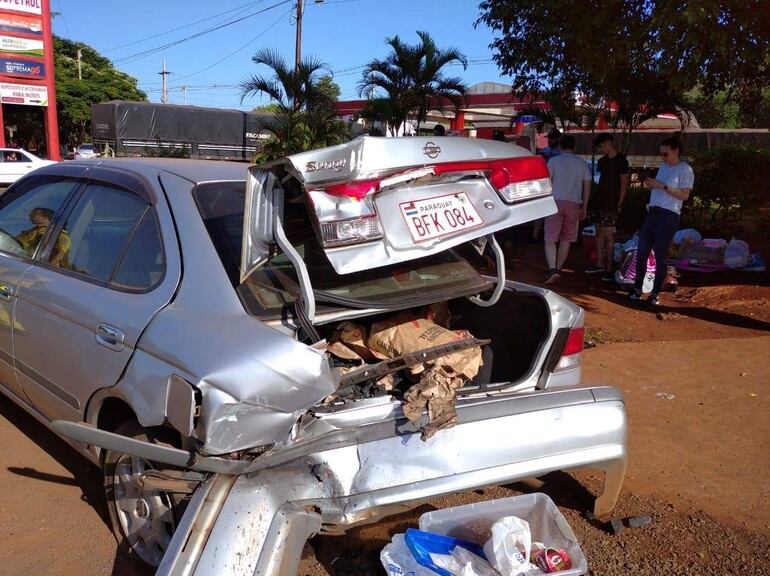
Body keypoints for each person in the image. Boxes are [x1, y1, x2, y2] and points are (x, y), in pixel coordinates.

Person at [630, 137, 694, 305]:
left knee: (660, 254)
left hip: (668, 215)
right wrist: (653, 186)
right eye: (661, 154)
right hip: (653, 211)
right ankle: (637, 288)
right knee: (642, 250)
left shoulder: (684, 169)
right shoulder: (664, 167)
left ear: (676, 150)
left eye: (665, 154)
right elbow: (659, 187)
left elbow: (685, 195)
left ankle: (655, 292)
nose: (663, 157)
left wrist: (663, 186)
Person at [543, 134, 591, 284]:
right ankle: (558, 267)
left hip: (554, 202)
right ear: (574, 147)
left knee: (550, 238)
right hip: (574, 203)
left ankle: (552, 269)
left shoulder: (553, 161)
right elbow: (587, 185)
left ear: (560, 146)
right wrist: (585, 205)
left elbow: (546, 181)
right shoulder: (581, 163)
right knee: (567, 238)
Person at [586, 133, 629, 281]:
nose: (599, 150)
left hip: (611, 203)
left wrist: (619, 203)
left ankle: (609, 267)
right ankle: (599, 262)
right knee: (598, 231)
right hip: (599, 201)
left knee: (608, 234)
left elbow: (624, 183)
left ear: (608, 143)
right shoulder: (602, 162)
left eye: (600, 146)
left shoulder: (621, 160)